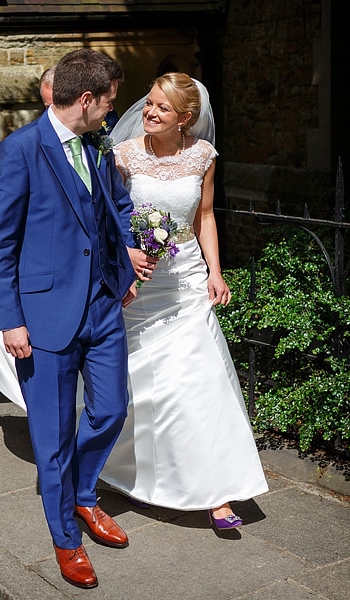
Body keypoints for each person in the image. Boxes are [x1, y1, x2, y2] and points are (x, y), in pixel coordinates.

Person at [0, 48, 135, 589]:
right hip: (42, 315)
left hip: (101, 307)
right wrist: (9, 319)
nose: (113, 112)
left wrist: (126, 268)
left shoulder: (96, 148)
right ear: (86, 99)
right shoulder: (19, 151)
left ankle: (83, 494)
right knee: (52, 433)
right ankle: (66, 535)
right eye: (109, 103)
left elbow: (115, 212)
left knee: (111, 410)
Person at [103, 72, 268, 528]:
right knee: (139, 385)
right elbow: (108, 220)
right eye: (149, 103)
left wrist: (216, 271)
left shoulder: (203, 155)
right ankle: (128, 469)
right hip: (139, 284)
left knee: (200, 381)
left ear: (186, 118)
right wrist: (126, 260)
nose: (149, 112)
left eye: (161, 108)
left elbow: (206, 215)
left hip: (187, 282)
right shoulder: (123, 156)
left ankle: (217, 494)